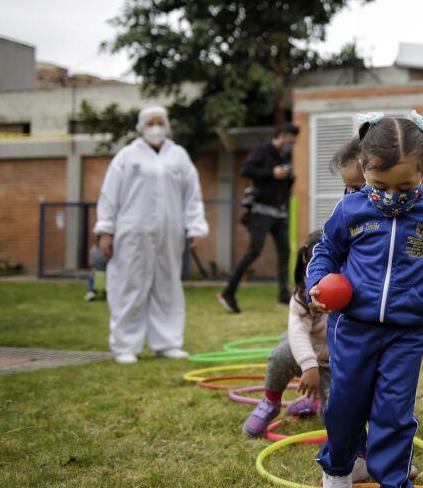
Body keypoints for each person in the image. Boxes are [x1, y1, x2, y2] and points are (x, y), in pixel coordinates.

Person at [306, 111, 423, 488]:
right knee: (347, 404)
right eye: (379, 184)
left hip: (406, 333)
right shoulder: (351, 210)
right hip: (352, 327)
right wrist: (319, 282)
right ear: (364, 169)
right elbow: (326, 251)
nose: (392, 195)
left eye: (405, 185)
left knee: (394, 413)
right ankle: (337, 470)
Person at [94, 105, 209, 364]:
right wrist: (105, 230)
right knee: (129, 285)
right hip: (132, 233)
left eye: (160, 121)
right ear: (141, 127)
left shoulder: (178, 156)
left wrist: (195, 227)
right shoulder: (127, 156)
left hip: (170, 234)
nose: (156, 127)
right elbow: (109, 195)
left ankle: (167, 343)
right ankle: (125, 346)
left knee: (167, 286)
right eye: (151, 122)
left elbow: (192, 195)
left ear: (167, 125)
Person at [242, 230, 330, 436]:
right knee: (281, 355)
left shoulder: (355, 291)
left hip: (338, 368)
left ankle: (316, 400)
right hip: (308, 357)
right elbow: (298, 331)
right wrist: (309, 366)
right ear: (307, 263)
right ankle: (270, 403)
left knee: (334, 419)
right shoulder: (303, 296)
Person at [218, 123, 300, 314]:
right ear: (281, 135)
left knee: (285, 252)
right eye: (290, 141)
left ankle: (283, 296)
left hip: (278, 212)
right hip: (261, 211)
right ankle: (228, 292)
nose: (291, 145)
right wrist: (272, 173)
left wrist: (288, 178)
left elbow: (283, 185)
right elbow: (245, 170)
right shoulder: (262, 149)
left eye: (294, 143)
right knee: (254, 250)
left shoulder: (284, 156)